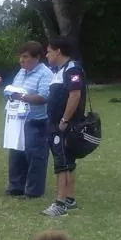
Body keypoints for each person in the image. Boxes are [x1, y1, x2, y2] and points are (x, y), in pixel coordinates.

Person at [42, 36, 88, 217]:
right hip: (56, 124)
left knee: (62, 162)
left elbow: (75, 95)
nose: (47, 55)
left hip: (64, 126)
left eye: (49, 51)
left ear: (58, 51)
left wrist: (65, 120)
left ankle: (60, 203)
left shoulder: (72, 69)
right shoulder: (59, 70)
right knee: (68, 162)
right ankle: (70, 198)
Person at [5, 41, 53, 198]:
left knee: (35, 157)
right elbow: (15, 88)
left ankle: (33, 191)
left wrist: (21, 96)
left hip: (37, 121)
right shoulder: (21, 72)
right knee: (17, 153)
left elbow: (44, 97)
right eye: (21, 57)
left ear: (37, 57)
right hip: (18, 120)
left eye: (25, 57)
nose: (22, 60)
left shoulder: (45, 74)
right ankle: (16, 186)